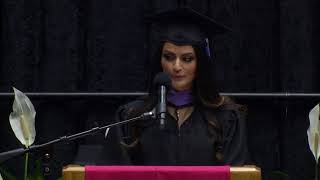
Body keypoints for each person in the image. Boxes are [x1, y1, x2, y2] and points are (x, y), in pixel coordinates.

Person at [116, 7, 249, 166]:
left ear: (200, 64)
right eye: (169, 57)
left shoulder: (225, 117)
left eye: (187, 59)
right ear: (160, 60)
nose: (176, 66)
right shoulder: (134, 115)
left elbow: (237, 173)